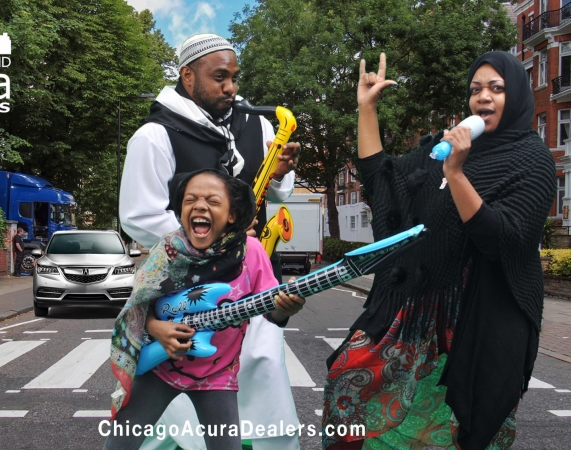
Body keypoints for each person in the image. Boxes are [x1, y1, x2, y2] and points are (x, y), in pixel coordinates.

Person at [322, 51, 557, 450]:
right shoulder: (447, 148)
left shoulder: (532, 159)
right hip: (411, 313)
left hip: (475, 321)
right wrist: (367, 109)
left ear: (515, 95)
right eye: (475, 89)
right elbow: (384, 180)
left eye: (496, 88)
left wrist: (457, 174)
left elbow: (502, 239)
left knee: (448, 433)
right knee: (348, 384)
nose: (483, 97)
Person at [119, 33, 302, 450]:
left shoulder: (256, 123)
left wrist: (280, 171)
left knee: (263, 381)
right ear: (187, 76)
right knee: (169, 414)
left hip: (251, 277)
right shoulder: (153, 136)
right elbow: (139, 215)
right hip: (183, 292)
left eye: (234, 77)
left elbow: (279, 194)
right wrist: (213, 237)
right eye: (219, 77)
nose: (231, 88)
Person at [106, 170, 305, 450]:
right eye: (191, 200)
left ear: (232, 215)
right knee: (119, 445)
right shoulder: (166, 250)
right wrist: (156, 328)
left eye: (212, 200)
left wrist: (287, 308)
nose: (200, 206)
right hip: (159, 368)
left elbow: (272, 311)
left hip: (217, 374)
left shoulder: (251, 252)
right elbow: (139, 306)